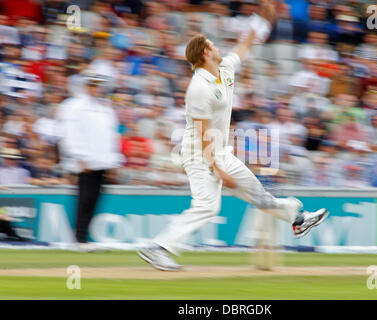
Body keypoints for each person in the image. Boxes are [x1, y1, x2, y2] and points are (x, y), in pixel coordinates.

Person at [138, 0, 329, 271]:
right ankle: (159, 248)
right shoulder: (198, 89)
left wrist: (264, 16)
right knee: (207, 206)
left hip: (220, 152)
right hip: (198, 155)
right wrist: (218, 169)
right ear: (205, 53)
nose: (218, 47)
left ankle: (298, 220)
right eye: (213, 45)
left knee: (256, 193)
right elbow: (204, 136)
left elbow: (245, 42)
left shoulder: (225, 69)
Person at [57, 72, 123, 251]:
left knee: (94, 199)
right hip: (85, 162)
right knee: (84, 199)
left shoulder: (106, 108)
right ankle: (78, 238)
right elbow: (70, 133)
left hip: (102, 161)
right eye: (92, 85)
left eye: (98, 85)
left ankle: (83, 238)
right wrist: (79, 156)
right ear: (85, 86)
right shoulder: (74, 106)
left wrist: (114, 160)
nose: (95, 89)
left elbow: (111, 136)